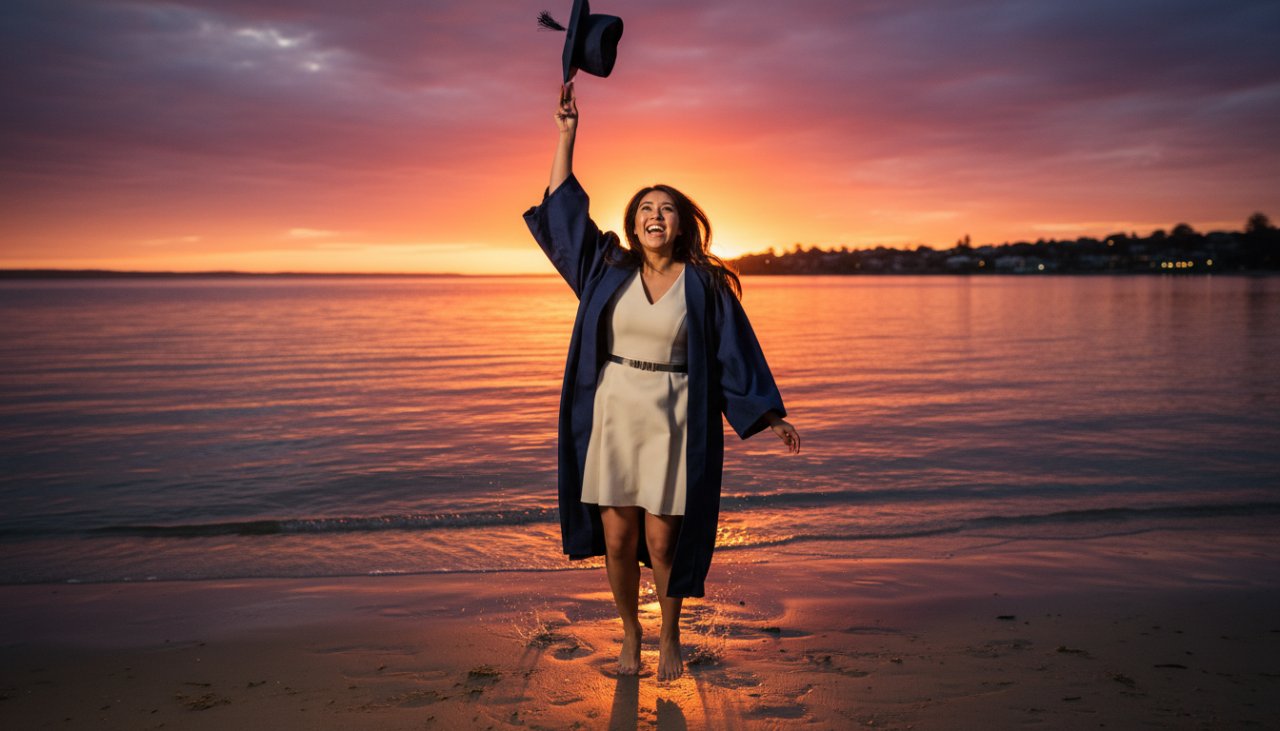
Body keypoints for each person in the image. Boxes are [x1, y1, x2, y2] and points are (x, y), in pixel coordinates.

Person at [523, 82, 800, 681]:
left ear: (681, 225)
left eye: (666, 209)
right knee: (619, 539)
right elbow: (565, 217)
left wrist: (767, 413)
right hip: (616, 411)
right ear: (633, 222)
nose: (655, 216)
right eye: (646, 208)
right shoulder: (605, 267)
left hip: (675, 416)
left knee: (665, 540)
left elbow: (734, 355)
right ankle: (630, 634)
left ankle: (670, 635)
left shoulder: (705, 286)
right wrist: (567, 135)